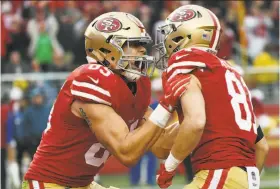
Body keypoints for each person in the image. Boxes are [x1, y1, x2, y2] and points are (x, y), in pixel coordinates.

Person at [22, 12, 188, 189]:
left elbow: (161, 146)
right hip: (49, 183)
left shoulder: (136, 85)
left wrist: (190, 113)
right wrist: (167, 105)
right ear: (105, 51)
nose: (142, 50)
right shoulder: (90, 78)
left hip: (82, 183)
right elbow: (127, 153)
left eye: (142, 44)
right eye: (133, 44)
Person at [154, 5, 269, 189]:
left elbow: (196, 122)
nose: (167, 41)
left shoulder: (190, 71)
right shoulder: (229, 74)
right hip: (244, 177)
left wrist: (169, 167)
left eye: (173, 34)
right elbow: (262, 146)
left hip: (219, 171)